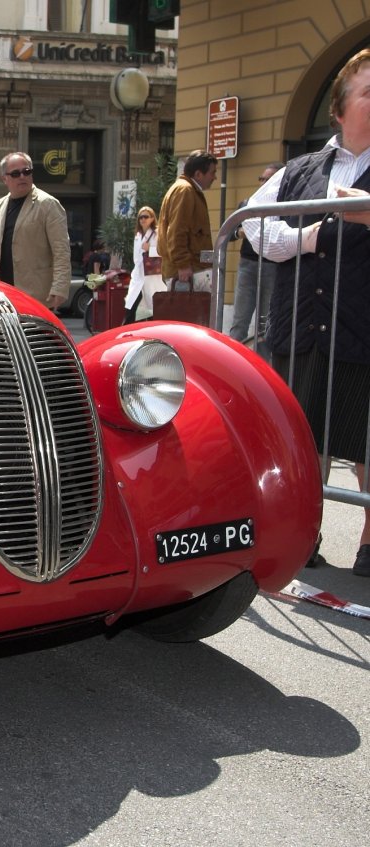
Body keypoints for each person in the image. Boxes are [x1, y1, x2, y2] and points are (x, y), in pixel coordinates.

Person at [242, 48, 370, 577]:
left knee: (364, 441)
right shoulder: (300, 170)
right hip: (302, 322)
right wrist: (311, 234)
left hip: (362, 325)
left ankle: (369, 544)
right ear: (340, 109)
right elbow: (254, 227)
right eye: (368, 92)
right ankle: (305, 533)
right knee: (306, 434)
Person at [0, 151, 71, 310]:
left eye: (27, 171)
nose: (22, 176)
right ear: (4, 178)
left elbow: (61, 250)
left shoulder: (48, 204)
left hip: (36, 295)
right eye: (15, 173)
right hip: (5, 295)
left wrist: (59, 288)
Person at [228, 162, 283, 359]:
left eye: (268, 179)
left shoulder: (285, 206)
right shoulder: (247, 203)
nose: (263, 183)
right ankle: (231, 363)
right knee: (240, 320)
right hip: (248, 265)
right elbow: (229, 234)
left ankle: (261, 368)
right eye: (261, 179)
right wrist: (240, 232)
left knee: (265, 323)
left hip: (273, 266)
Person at [157, 150, 218, 293]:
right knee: (187, 314)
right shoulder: (185, 190)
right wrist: (183, 264)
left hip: (191, 269)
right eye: (212, 172)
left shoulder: (186, 189)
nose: (214, 177)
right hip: (187, 272)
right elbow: (177, 230)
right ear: (198, 174)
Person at [122, 207, 163, 324]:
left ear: (152, 218)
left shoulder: (157, 234)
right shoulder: (138, 235)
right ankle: (126, 331)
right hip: (139, 276)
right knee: (131, 305)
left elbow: (164, 252)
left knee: (152, 309)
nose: (143, 219)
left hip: (152, 276)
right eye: (140, 217)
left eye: (146, 217)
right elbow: (136, 258)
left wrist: (150, 249)